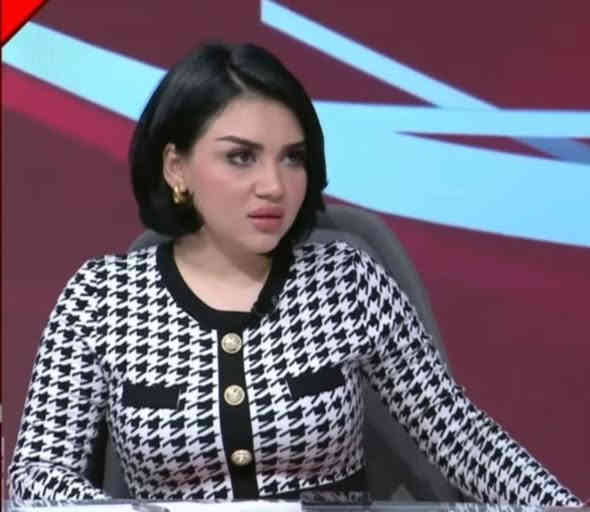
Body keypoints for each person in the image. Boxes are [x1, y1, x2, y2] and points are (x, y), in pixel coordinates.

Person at [9, 42, 582, 505]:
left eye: (293, 157)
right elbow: (36, 477)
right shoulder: (102, 297)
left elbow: (461, 438)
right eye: (241, 157)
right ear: (176, 168)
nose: (275, 186)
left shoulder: (347, 280)